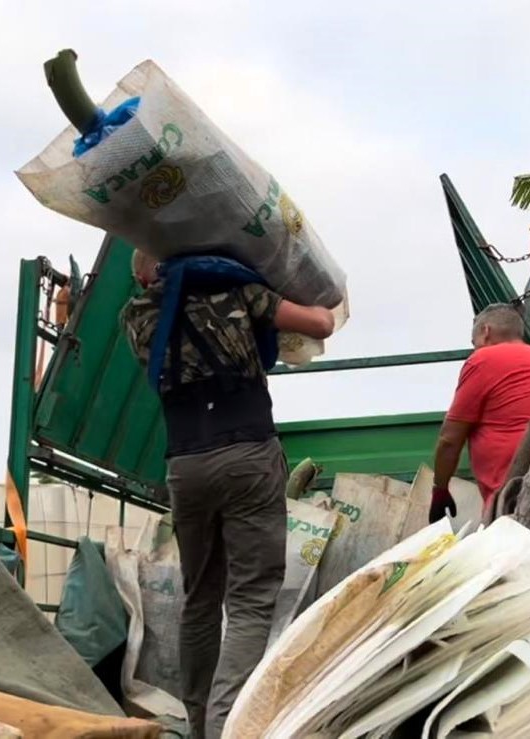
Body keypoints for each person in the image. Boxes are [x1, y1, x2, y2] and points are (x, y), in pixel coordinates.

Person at [121, 250, 335, 739]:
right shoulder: (238, 290)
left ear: (143, 275)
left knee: (200, 598)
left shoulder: (135, 315)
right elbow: (320, 323)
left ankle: (198, 724)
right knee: (250, 602)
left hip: (185, 464)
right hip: (247, 455)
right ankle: (226, 727)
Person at [429, 303, 530, 523]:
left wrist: (440, 490)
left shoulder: (484, 360)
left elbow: (449, 439)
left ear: (485, 331)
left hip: (512, 498)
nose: (474, 349)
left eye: (473, 343)